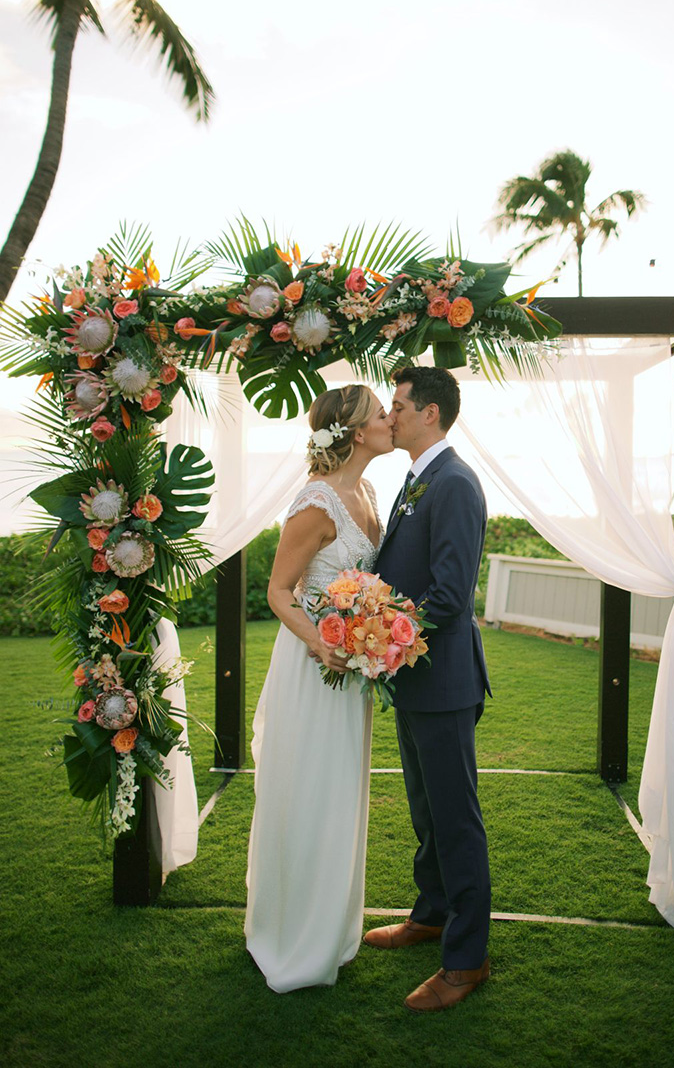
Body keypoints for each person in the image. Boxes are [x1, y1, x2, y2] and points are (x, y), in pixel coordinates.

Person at [244, 384, 394, 992]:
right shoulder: (316, 501)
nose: (391, 420)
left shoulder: (370, 492)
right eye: (382, 414)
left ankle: (331, 927)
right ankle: (291, 934)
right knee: (307, 787)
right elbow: (279, 591)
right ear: (357, 432)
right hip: (314, 664)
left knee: (340, 790)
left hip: (352, 666)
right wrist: (321, 642)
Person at [366, 365, 492, 1013]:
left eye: (398, 406)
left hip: (441, 680)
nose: (390, 416)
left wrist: (376, 636)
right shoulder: (418, 479)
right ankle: (433, 912)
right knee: (425, 810)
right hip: (412, 677)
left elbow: (448, 595)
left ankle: (466, 960)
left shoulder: (455, 484)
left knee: (455, 818)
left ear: (430, 413)